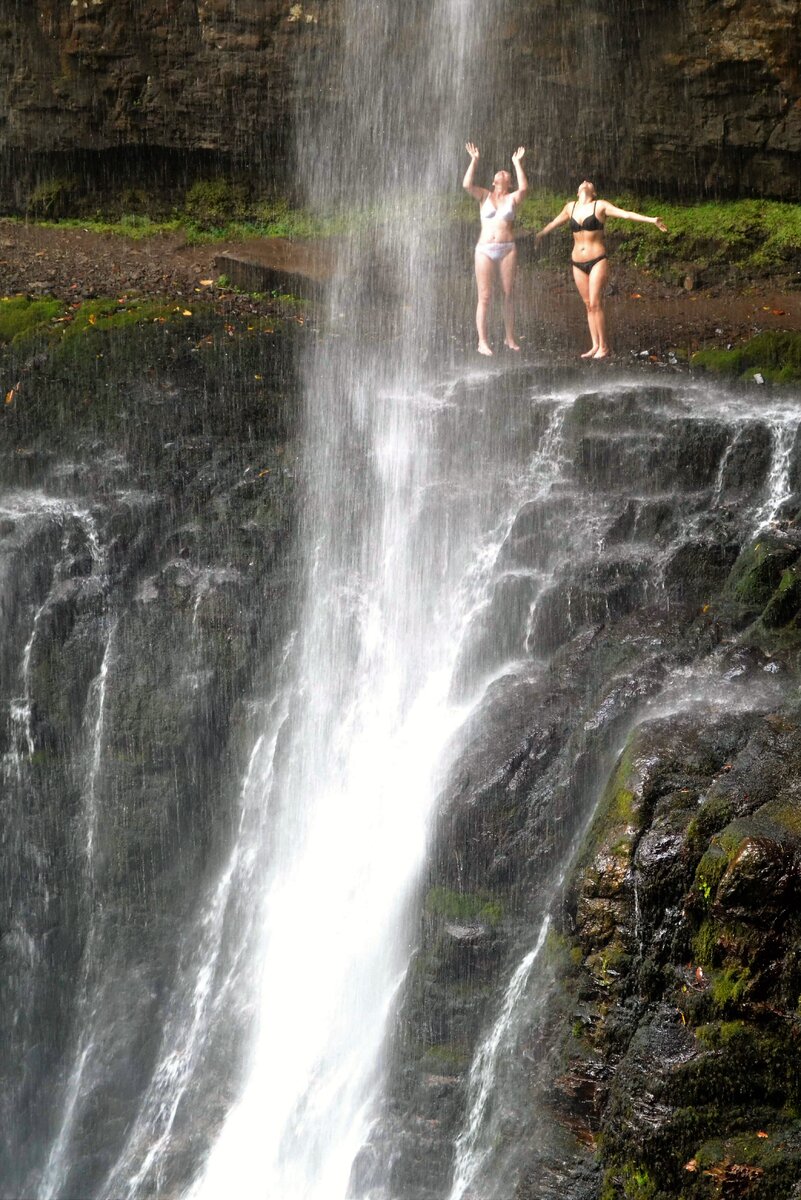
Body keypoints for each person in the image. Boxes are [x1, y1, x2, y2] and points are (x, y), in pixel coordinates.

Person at [535, 181, 667, 359]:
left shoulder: (600, 206)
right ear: (577, 191)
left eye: (588, 182)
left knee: (596, 303)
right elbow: (555, 222)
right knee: (588, 304)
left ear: (594, 191)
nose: (584, 182)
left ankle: (604, 347)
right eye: (582, 182)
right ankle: (595, 345)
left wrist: (651, 220)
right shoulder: (570, 207)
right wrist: (541, 234)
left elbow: (626, 215)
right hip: (577, 262)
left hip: (597, 260)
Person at [463, 143, 528, 356]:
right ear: (494, 181)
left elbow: (525, 189)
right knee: (485, 296)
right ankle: (482, 341)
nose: (502, 172)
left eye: (505, 173)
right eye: (498, 173)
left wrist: (516, 163)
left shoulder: (512, 198)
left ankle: (509, 337)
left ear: (508, 182)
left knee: (508, 294)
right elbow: (466, 185)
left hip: (508, 248)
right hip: (484, 249)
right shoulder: (484, 195)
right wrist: (474, 160)